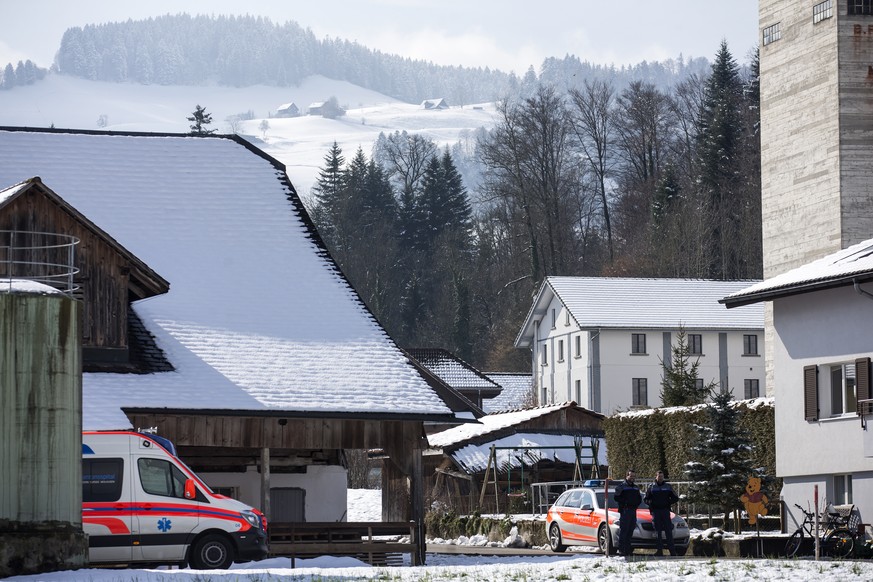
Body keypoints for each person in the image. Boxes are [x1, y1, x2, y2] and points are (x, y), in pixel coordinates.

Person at [644, 470, 680, 556]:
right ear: (656, 477)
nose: (660, 478)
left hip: (665, 511)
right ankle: (659, 550)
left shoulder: (668, 486)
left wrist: (668, 502)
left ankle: (672, 551)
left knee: (668, 531)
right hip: (656, 512)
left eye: (662, 477)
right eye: (659, 476)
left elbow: (675, 498)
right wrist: (651, 503)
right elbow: (645, 499)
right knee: (658, 531)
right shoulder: (651, 487)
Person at [614, 469, 642, 556]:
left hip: (633, 511)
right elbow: (616, 497)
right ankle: (621, 550)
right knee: (624, 531)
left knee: (630, 530)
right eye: (631, 476)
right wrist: (625, 502)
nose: (632, 478)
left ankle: (627, 549)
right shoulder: (621, 486)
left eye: (634, 476)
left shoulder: (636, 487)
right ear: (627, 476)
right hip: (625, 511)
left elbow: (639, 498)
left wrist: (636, 504)